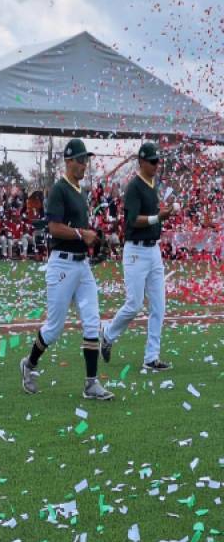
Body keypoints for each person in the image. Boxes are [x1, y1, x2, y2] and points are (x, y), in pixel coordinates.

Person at [20, 138, 114, 400]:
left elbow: (79, 232)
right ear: (69, 160)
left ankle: (91, 383)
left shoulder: (79, 191)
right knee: (54, 328)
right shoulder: (60, 189)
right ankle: (29, 365)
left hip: (81, 265)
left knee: (92, 321)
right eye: (81, 159)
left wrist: (91, 238)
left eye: (86, 159)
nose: (85, 164)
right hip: (61, 263)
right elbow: (53, 227)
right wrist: (81, 233)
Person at [100, 142, 174, 371]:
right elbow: (132, 220)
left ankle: (151, 357)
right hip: (135, 250)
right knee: (133, 304)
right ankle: (108, 334)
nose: (156, 165)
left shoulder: (152, 184)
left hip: (152, 250)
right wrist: (157, 217)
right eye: (153, 161)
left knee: (158, 306)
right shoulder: (134, 186)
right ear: (142, 161)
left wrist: (162, 214)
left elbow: (152, 216)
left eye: (157, 161)